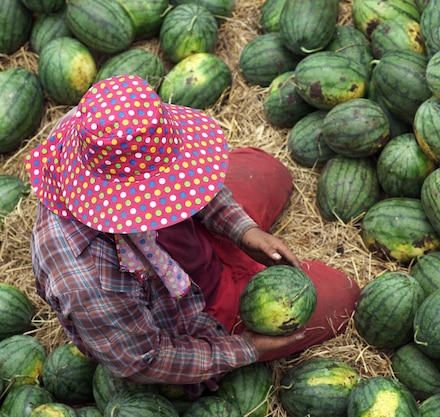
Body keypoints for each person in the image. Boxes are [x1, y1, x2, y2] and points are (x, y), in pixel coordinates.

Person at [24, 74, 361, 398]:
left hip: (186, 241)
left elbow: (189, 178)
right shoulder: (87, 280)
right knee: (342, 296)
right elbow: (144, 360)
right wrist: (245, 349)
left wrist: (243, 231)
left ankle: (231, 250)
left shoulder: (93, 132)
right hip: (186, 314)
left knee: (266, 168)